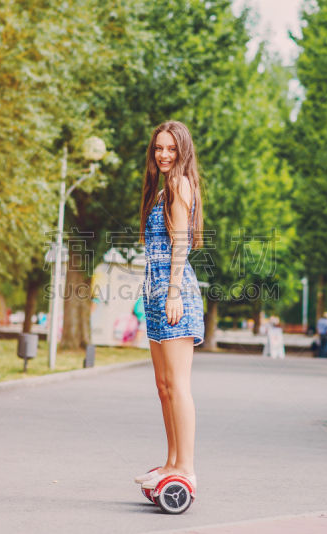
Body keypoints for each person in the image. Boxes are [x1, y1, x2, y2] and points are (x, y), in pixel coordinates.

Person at [134, 121, 205, 495]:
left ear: (183, 152)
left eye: (171, 149)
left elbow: (181, 244)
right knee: (163, 386)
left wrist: (173, 292)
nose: (163, 154)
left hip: (176, 295)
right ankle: (171, 463)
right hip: (155, 295)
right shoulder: (160, 191)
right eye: (159, 148)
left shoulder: (179, 184)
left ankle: (187, 469)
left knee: (178, 385)